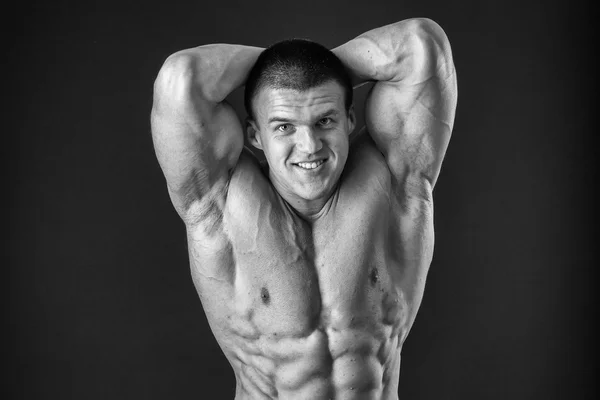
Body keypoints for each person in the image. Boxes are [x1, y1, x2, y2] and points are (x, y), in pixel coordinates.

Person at [151, 17, 457, 400]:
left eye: (324, 120)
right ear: (254, 135)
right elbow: (182, 78)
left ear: (349, 119)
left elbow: (420, 44)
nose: (309, 145)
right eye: (283, 126)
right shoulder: (220, 204)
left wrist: (313, 63)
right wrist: (280, 64)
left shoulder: (397, 183)